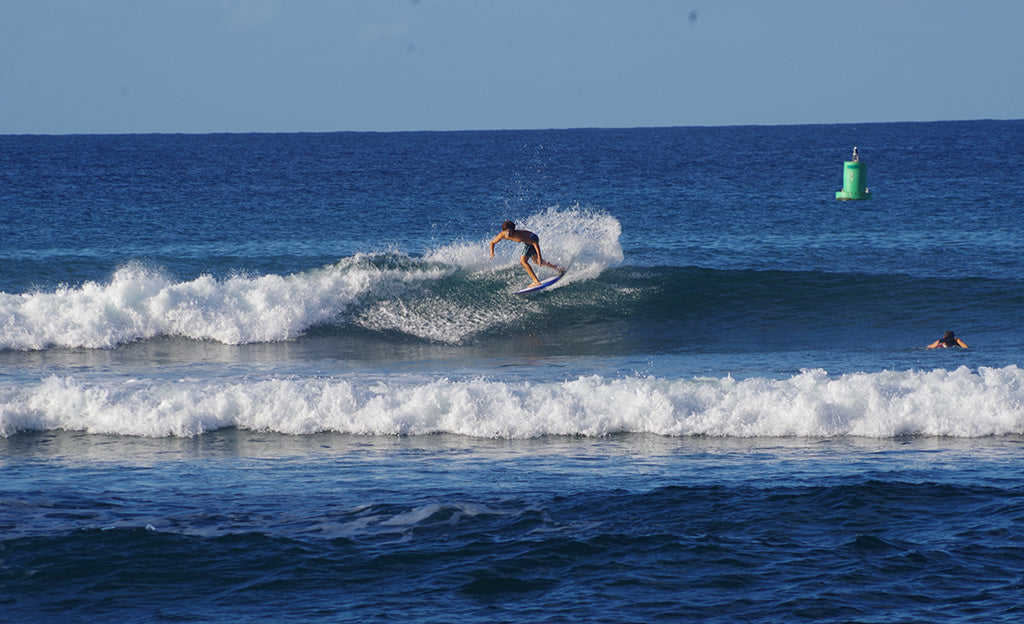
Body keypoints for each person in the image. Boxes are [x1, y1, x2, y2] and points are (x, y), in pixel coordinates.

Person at [489, 220, 564, 287]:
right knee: (535, 261)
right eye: (506, 231)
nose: (508, 233)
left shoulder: (519, 236)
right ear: (503, 231)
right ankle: (556, 267)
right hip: (529, 242)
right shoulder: (502, 234)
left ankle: (535, 281)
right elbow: (492, 243)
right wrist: (492, 253)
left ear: (513, 230)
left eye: (510, 231)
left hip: (533, 240)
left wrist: (539, 257)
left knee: (523, 261)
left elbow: (535, 243)